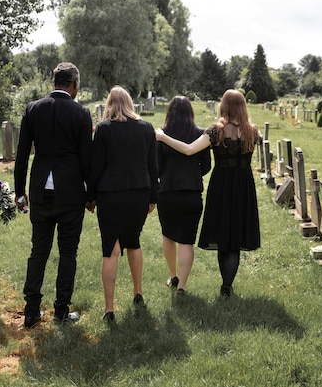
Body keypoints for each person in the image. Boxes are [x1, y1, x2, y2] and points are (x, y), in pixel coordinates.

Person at [155, 89, 261, 299]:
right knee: (236, 235)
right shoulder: (253, 131)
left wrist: (163, 137)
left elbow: (187, 150)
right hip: (244, 187)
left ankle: (223, 287)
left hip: (221, 186)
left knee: (224, 233)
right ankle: (226, 285)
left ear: (224, 106)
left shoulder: (216, 130)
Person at [14, 62, 93, 329]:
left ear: (53, 83)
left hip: (39, 191)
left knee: (39, 251)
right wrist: (90, 193)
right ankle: (61, 312)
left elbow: (22, 154)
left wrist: (19, 191)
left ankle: (31, 311)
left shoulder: (33, 108)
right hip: (71, 192)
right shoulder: (81, 113)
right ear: (74, 85)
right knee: (68, 253)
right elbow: (86, 159)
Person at [86, 86, 158, 322]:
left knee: (111, 249)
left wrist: (91, 196)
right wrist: (153, 197)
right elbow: (152, 166)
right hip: (139, 194)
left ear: (109, 104)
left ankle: (109, 308)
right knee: (134, 242)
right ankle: (138, 292)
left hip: (111, 195)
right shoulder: (146, 128)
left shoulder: (104, 129)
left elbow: (96, 166)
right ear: (129, 103)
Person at [157, 96, 211, 294]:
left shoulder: (161, 135)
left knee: (168, 235)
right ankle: (182, 286)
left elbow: (156, 167)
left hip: (168, 193)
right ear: (191, 112)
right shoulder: (200, 134)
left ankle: (173, 275)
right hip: (192, 193)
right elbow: (206, 166)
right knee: (187, 241)